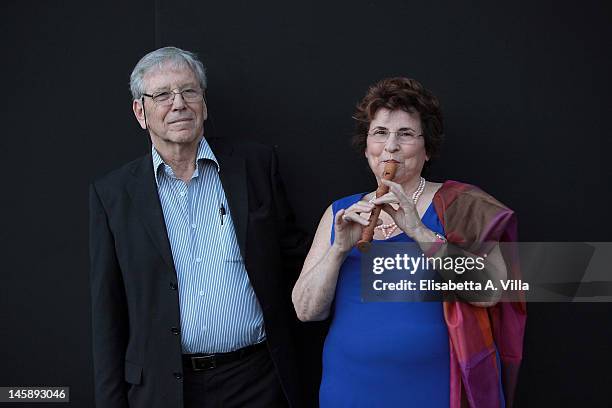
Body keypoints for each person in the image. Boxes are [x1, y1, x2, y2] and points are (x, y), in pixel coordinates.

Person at [89, 47, 308, 408]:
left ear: (204, 103)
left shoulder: (255, 166)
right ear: (139, 112)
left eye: (189, 91)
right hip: (165, 389)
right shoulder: (113, 194)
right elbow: (107, 312)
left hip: (257, 381)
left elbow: (294, 259)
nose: (179, 104)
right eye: (162, 95)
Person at [292, 77, 526, 407]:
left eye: (405, 134)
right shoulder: (339, 212)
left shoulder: (461, 205)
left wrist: (420, 232)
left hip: (434, 392)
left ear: (427, 148)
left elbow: (489, 292)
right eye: (380, 133)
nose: (391, 146)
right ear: (366, 147)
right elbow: (306, 311)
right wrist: (338, 249)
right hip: (349, 390)